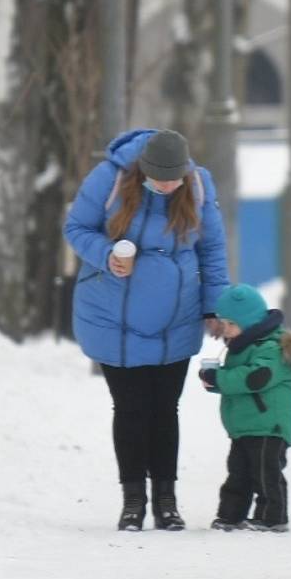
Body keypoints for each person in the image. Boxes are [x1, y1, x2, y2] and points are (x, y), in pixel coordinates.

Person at [65, 128, 229, 532]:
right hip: (112, 315)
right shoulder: (110, 179)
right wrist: (106, 255)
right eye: (159, 179)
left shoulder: (198, 185)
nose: (167, 186)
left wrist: (214, 307)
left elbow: (211, 250)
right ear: (143, 171)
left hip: (176, 316)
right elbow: (76, 229)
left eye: (174, 180)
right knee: (131, 408)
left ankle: (167, 502)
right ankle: (133, 500)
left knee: (164, 409)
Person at [199, 283, 291, 533]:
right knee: (238, 473)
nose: (226, 330)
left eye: (231, 324)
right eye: (224, 323)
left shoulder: (272, 348)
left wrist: (221, 378)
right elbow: (240, 379)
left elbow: (255, 378)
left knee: (266, 474)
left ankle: (272, 515)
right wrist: (215, 379)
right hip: (245, 425)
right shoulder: (242, 347)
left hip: (268, 426)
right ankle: (230, 515)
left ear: (251, 322)